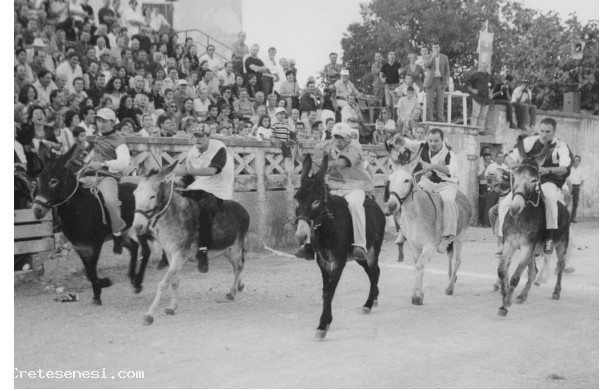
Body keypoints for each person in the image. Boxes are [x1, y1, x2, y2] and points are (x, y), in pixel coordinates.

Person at [296, 123, 374, 260]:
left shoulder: (355, 147)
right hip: (334, 186)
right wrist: (297, 154)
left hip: (355, 187)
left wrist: (322, 163)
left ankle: (360, 245)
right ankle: (309, 244)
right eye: (336, 137)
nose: (338, 140)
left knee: (355, 205)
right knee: (314, 203)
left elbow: (342, 163)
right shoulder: (328, 146)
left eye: (341, 138)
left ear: (349, 138)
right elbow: (312, 161)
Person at [498, 118, 572, 254]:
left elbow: (565, 168)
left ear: (555, 131)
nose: (544, 134)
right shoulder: (529, 141)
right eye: (542, 131)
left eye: (548, 132)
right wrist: (513, 164)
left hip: (549, 180)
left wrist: (547, 170)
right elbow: (508, 156)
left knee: (549, 199)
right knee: (504, 204)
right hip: (527, 180)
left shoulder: (561, 146)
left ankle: (549, 237)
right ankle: (504, 239)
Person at [175, 125, 235, 273]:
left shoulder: (219, 148)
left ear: (209, 136)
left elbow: (212, 171)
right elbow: (189, 178)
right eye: (195, 135)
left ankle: (203, 251)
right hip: (198, 185)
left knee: (205, 209)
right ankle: (170, 249)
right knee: (174, 204)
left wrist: (186, 171)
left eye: (201, 136)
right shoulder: (192, 152)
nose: (198, 139)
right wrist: (176, 183)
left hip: (218, 187)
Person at [392, 127, 460, 252]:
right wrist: (400, 139)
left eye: (436, 141)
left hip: (446, 183)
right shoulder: (423, 146)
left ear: (442, 140)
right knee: (412, 194)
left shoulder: (449, 153)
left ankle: (447, 237)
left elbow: (452, 171)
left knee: (448, 201)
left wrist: (433, 166)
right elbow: (409, 143)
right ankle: (403, 229)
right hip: (429, 181)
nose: (433, 144)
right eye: (430, 140)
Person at [83, 108, 130, 254]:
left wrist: (103, 164)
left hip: (106, 176)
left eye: (104, 121)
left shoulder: (119, 141)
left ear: (112, 122)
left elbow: (123, 163)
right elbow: (91, 155)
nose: (100, 124)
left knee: (110, 201)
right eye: (98, 120)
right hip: (90, 174)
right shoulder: (96, 137)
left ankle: (117, 234)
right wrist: (86, 160)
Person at [423, 43, 450, 122]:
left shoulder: (444, 57)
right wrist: (432, 57)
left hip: (440, 81)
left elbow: (447, 71)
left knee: (440, 102)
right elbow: (426, 65)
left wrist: (446, 81)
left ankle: (441, 121)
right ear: (432, 48)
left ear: (439, 48)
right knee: (429, 102)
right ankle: (430, 121)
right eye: (434, 47)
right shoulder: (428, 56)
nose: (435, 48)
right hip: (430, 81)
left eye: (437, 47)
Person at [380, 51, 402, 115]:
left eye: (393, 54)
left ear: (395, 56)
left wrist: (401, 74)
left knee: (396, 103)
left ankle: (396, 118)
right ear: (388, 56)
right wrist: (382, 79)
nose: (392, 56)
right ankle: (389, 117)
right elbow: (380, 74)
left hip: (396, 85)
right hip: (388, 85)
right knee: (388, 103)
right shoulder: (385, 66)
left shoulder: (398, 65)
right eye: (391, 54)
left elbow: (401, 74)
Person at [567, 155, 584, 223]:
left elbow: (582, 180)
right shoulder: (569, 168)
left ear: (579, 161)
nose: (575, 161)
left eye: (577, 160)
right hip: (569, 186)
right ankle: (565, 217)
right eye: (574, 159)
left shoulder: (581, 170)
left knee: (575, 203)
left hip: (577, 187)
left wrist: (579, 188)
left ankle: (572, 218)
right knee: (566, 202)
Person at [478, 152, 493, 226]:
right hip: (483, 185)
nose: (488, 160)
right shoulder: (481, 166)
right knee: (483, 203)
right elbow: (481, 177)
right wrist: (486, 167)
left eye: (489, 159)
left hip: (492, 186)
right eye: (486, 159)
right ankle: (481, 221)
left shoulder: (493, 165)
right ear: (484, 160)